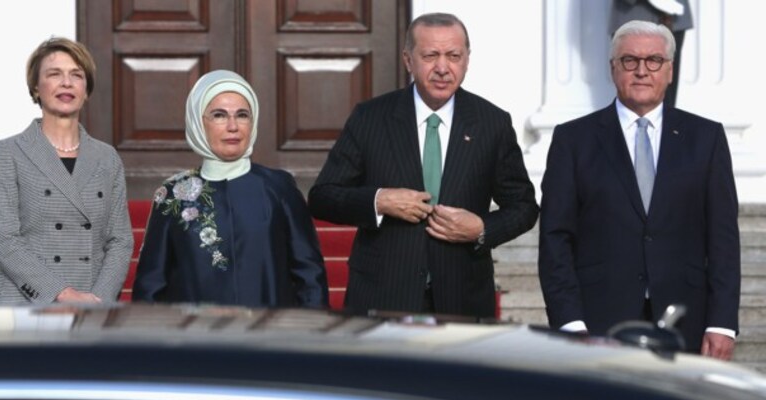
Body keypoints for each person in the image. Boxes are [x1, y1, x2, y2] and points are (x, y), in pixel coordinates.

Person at [307, 13, 539, 317]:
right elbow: (322, 196)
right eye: (430, 56)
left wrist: (482, 228)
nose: (443, 68)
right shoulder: (370, 118)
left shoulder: (492, 123)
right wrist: (379, 201)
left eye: (453, 56)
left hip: (462, 299)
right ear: (408, 60)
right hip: (383, 296)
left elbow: (524, 206)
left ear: (467, 60)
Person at [538, 20, 740, 359]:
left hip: (686, 318)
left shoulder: (706, 139)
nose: (642, 71)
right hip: (597, 321)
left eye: (654, 61)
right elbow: (555, 238)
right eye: (630, 60)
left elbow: (723, 239)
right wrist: (569, 322)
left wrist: (721, 323)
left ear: (670, 70)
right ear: (613, 68)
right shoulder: (573, 140)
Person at [132, 70, 328, 307]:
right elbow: (151, 284)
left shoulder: (279, 188)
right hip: (194, 337)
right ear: (197, 122)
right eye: (219, 115)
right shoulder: (173, 194)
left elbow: (309, 275)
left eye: (242, 115)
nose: (233, 126)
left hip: (269, 336)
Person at [0, 37, 133, 304]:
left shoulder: (107, 158)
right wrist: (62, 294)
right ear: (35, 87)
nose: (66, 83)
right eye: (54, 74)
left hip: (91, 304)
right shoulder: (8, 152)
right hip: (26, 305)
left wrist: (99, 298)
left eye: (76, 75)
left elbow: (120, 240)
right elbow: (4, 240)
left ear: (86, 89)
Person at [610, 0, 693, 107]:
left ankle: (666, 123)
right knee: (631, 87)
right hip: (631, 14)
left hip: (673, 18)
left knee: (667, 88)